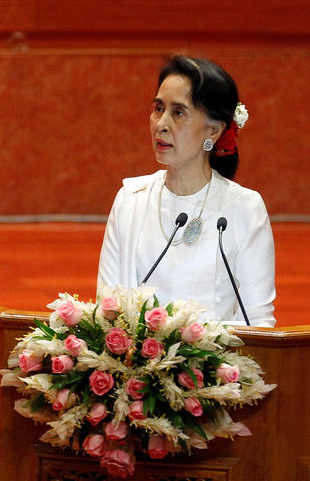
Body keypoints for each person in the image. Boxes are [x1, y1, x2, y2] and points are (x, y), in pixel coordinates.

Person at [97, 56, 276, 327]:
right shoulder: (130, 199)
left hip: (219, 365)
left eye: (178, 112)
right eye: (158, 108)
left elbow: (258, 321)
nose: (161, 124)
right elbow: (107, 309)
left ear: (213, 131)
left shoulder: (244, 208)